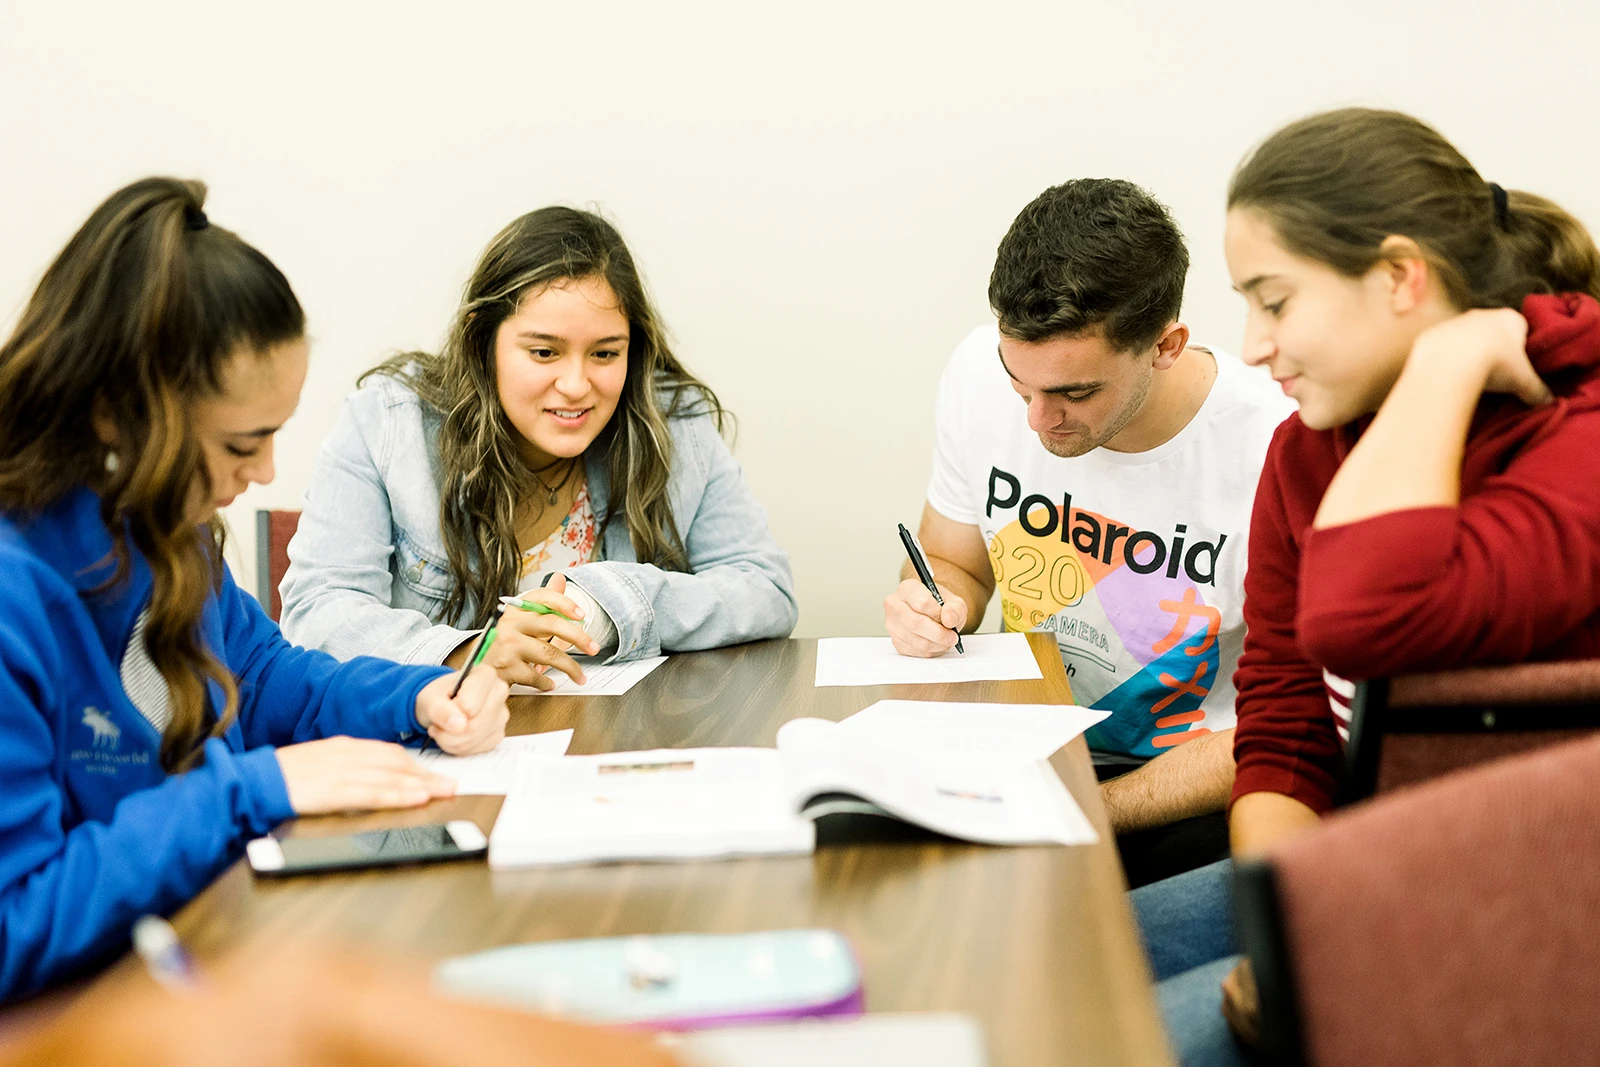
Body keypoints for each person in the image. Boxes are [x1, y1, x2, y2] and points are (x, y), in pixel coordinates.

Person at [1141, 107, 1600, 1066]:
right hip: (1362, 865)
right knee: (1077, 953)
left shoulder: (1579, 432)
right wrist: (1285, 935)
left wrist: (1450, 359)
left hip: (1534, 905)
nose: (1256, 344)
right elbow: (1285, 711)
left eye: (1275, 300)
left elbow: (1364, 614)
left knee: (1109, 1040)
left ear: (1401, 277)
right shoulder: (1304, 450)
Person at [0, 178, 510, 1004]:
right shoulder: (16, 592)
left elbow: (265, 679)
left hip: (206, 953)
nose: (267, 473)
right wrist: (252, 790)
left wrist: (420, 696)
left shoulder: (166, 528)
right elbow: (13, 928)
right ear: (113, 415)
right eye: (244, 442)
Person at [884, 179, 1293, 886]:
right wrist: (932, 603)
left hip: (1179, 800)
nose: (1039, 420)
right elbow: (956, 564)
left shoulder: (1274, 446)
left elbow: (1284, 728)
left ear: (1166, 346)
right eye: (1022, 385)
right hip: (1018, 759)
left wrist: (1079, 805)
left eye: (1075, 393)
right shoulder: (976, 374)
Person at [279, 207, 796, 689]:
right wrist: (468, 653)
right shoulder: (388, 421)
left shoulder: (673, 421)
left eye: (605, 353)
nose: (575, 384)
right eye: (544, 351)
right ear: (485, 344)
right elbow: (317, 610)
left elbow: (765, 589)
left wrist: (612, 603)